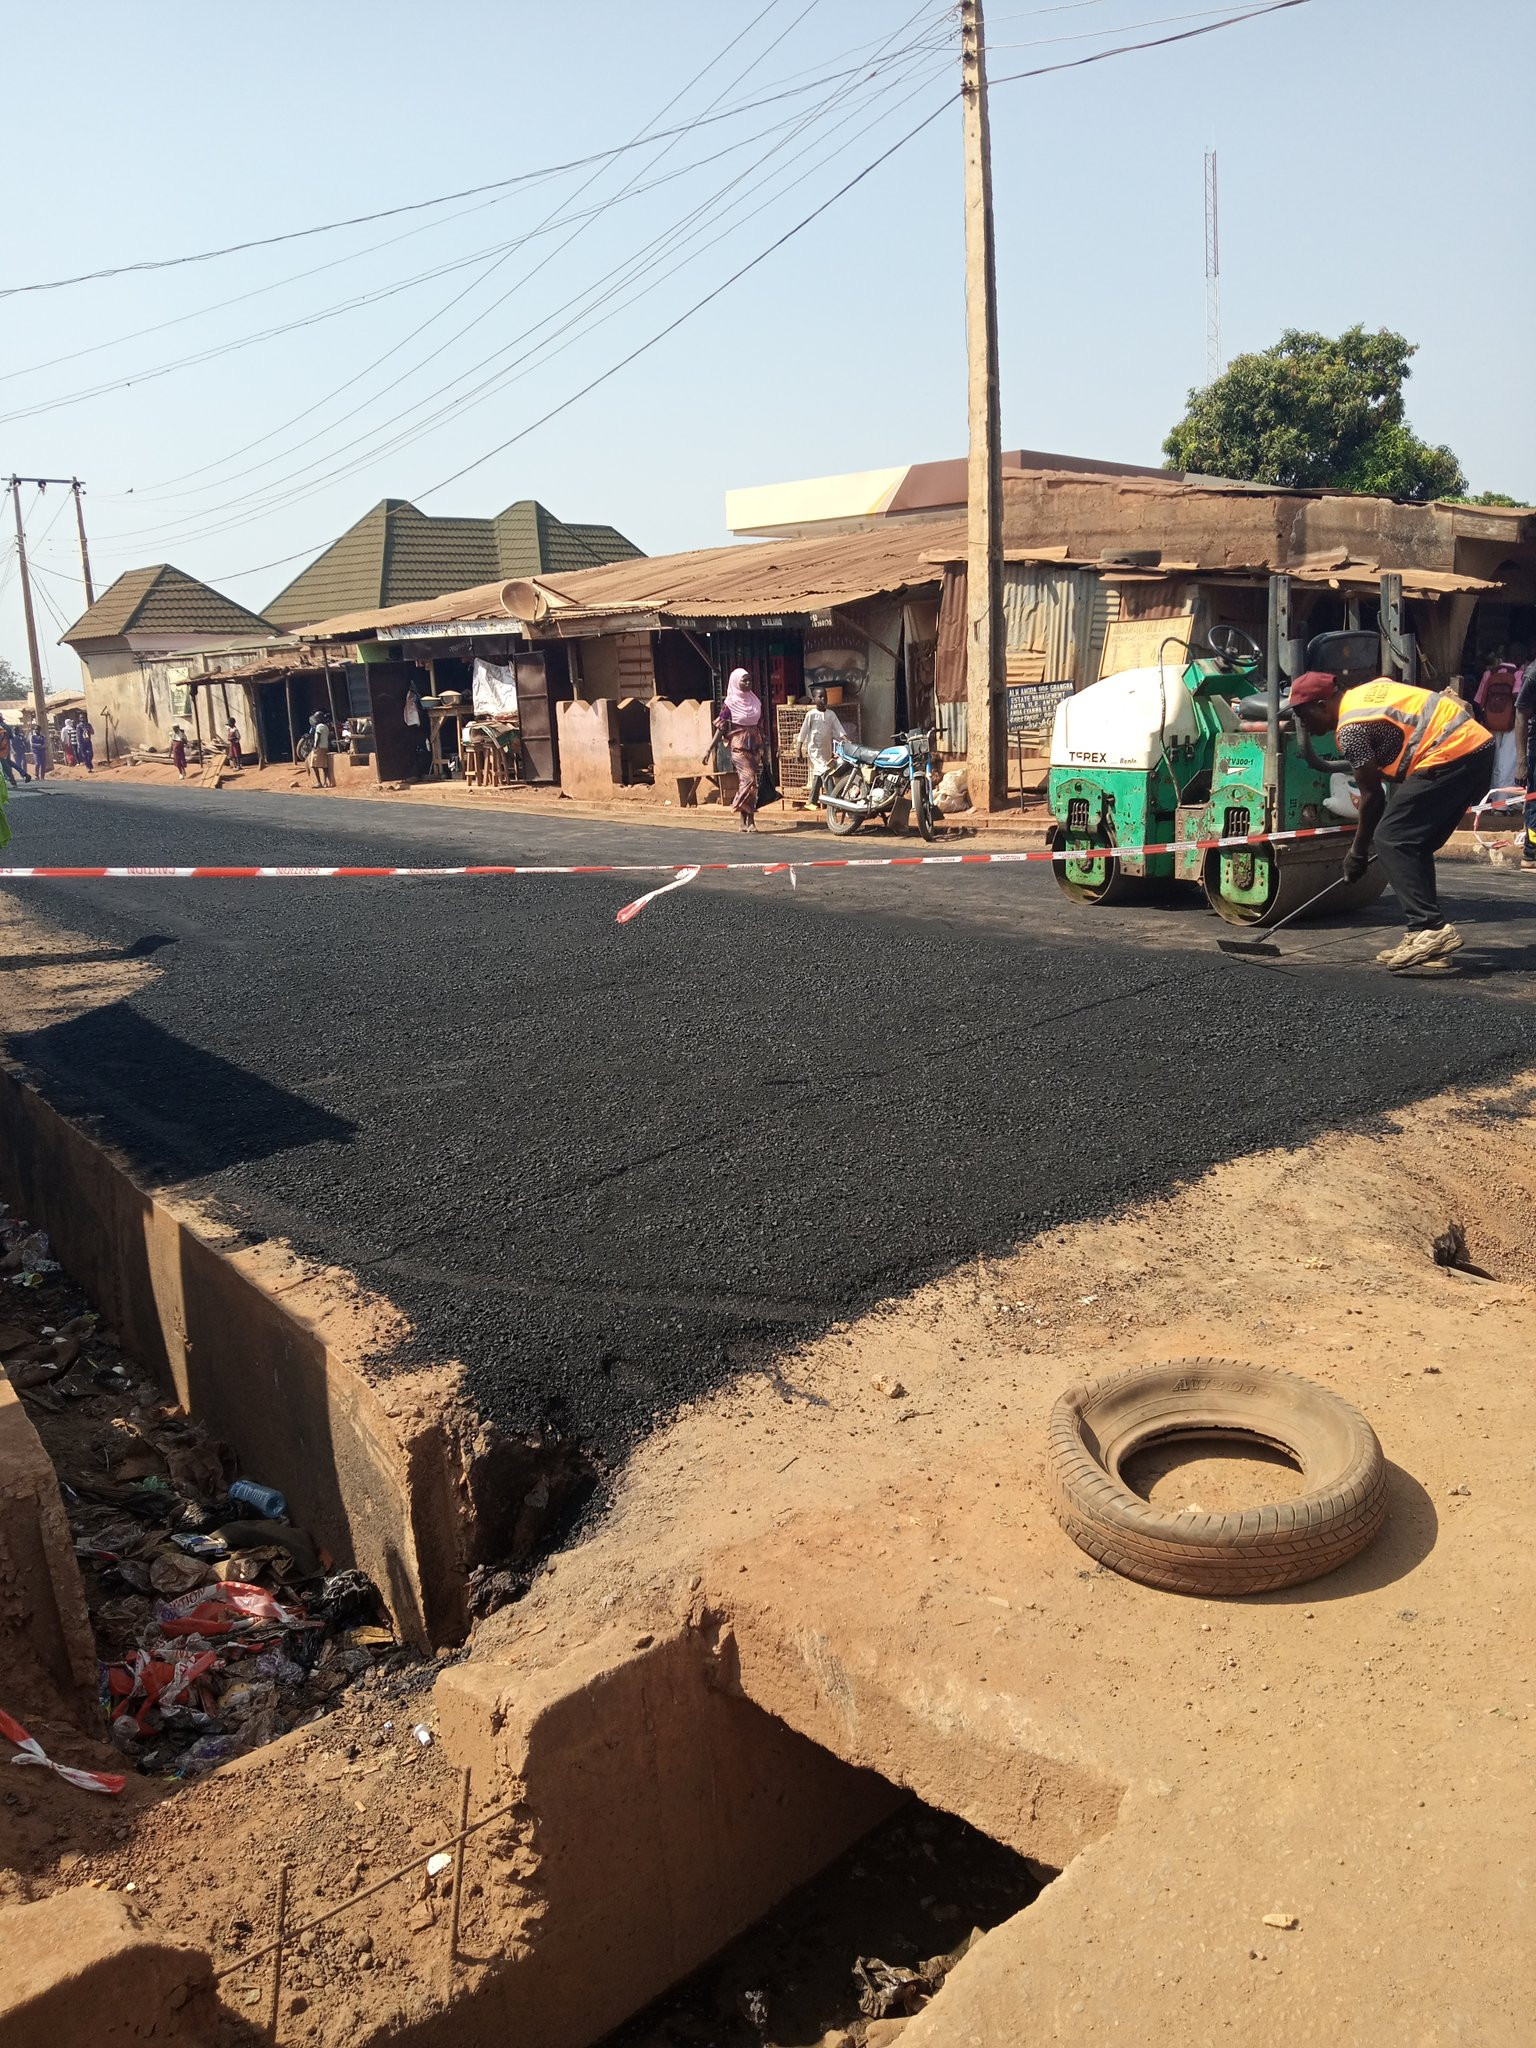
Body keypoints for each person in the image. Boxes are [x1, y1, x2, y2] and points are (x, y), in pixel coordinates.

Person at [1289, 670, 1494, 971]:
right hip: (1476, 748)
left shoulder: (1349, 729)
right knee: (1413, 843)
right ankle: (1426, 938)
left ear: (1322, 704)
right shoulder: (1368, 692)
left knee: (1391, 837)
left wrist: (1357, 853)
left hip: (1451, 752)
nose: (1303, 724)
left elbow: (1373, 797)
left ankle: (1430, 929)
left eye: (1303, 715)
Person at [705, 667, 765, 832]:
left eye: (749, 680)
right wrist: (709, 749)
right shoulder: (729, 704)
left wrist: (764, 748)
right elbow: (721, 727)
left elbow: (760, 726)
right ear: (735, 682)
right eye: (744, 680)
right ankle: (745, 814)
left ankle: (746, 820)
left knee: (751, 785)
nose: (747, 683)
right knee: (749, 780)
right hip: (739, 747)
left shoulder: (755, 702)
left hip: (754, 746)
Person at [794, 683, 848, 810]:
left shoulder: (831, 714)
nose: (823, 700)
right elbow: (804, 732)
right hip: (814, 750)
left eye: (825, 697)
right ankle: (833, 801)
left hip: (826, 749)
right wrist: (799, 749)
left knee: (818, 773)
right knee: (826, 771)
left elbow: (838, 729)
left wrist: (846, 740)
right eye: (820, 697)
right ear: (814, 699)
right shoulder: (811, 714)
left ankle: (812, 802)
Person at [307, 708, 335, 787]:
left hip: (319, 747)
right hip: (325, 747)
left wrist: (315, 746)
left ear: (319, 718)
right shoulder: (326, 727)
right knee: (324, 765)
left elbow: (318, 737)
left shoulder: (318, 726)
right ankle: (325, 782)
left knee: (314, 765)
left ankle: (319, 782)